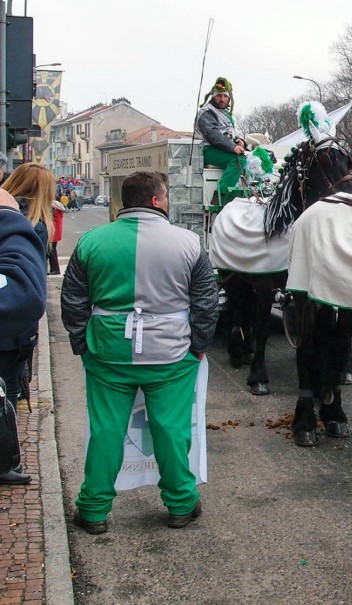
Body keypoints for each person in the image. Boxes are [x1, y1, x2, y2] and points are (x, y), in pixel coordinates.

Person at [61, 171, 219, 534]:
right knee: (172, 429)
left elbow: (72, 299)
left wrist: (81, 344)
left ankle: (94, 509)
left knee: (105, 431)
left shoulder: (91, 241)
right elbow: (207, 302)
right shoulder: (189, 243)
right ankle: (181, 502)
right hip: (171, 355)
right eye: (165, 195)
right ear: (156, 200)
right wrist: (198, 347)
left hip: (108, 351)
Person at [0, 189, 47, 485]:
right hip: (10, 342)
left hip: (15, 341)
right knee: (8, 399)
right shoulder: (19, 229)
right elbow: (26, 293)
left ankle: (6, 459)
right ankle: (5, 460)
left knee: (10, 398)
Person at [194, 76, 247, 204]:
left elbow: (230, 133)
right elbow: (212, 134)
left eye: (225, 96)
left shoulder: (225, 114)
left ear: (229, 98)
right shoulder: (206, 112)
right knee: (238, 159)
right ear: (213, 96)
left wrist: (239, 141)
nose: (222, 99)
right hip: (207, 150)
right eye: (218, 96)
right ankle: (220, 195)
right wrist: (232, 147)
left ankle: (245, 194)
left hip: (221, 149)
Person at [48, 198, 66, 275]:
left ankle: (55, 269)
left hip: (53, 231)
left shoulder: (52, 208)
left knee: (51, 250)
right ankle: (54, 269)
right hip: (56, 231)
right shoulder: (56, 206)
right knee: (51, 250)